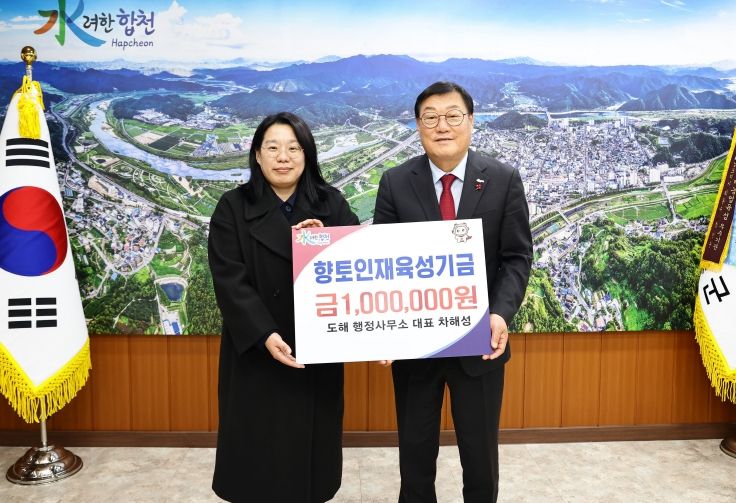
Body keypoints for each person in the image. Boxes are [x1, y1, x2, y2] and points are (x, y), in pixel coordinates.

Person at [373, 82, 533, 503]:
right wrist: (382, 327)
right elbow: (382, 263)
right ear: (418, 125)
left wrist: (500, 314)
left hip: (480, 345)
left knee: (480, 459)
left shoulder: (502, 179)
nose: (441, 126)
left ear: (471, 121)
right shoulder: (395, 182)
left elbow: (517, 257)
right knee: (415, 458)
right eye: (430, 117)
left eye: (452, 115)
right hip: (415, 347)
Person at [208, 111, 359, 503]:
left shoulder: (331, 204)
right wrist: (264, 333)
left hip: (316, 352)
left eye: (293, 148)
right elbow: (229, 279)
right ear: (257, 155)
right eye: (272, 147)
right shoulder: (232, 206)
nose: (283, 157)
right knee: (258, 458)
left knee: (310, 466)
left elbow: (357, 265)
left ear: (307, 154)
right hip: (257, 349)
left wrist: (327, 241)